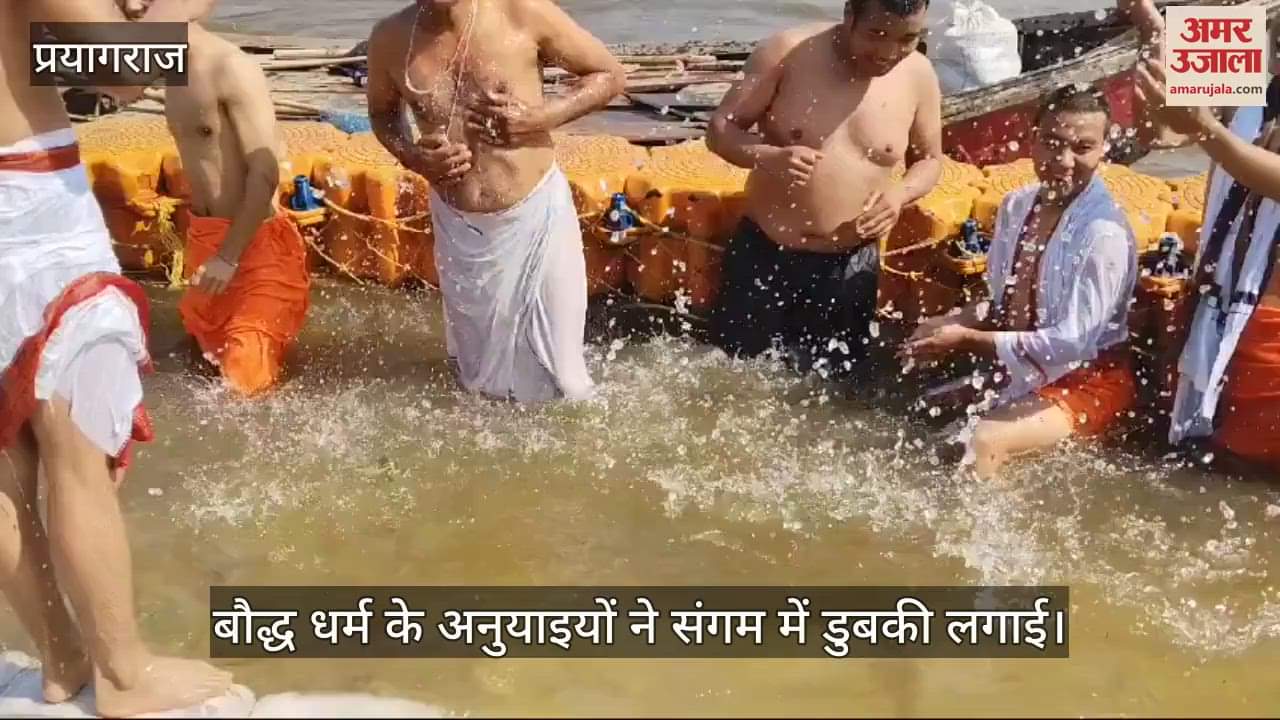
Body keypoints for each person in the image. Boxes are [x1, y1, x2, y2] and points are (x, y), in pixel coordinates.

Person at [0, 0, 233, 715]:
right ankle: (125, 676)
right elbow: (131, 69)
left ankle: (62, 656)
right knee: (76, 454)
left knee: (5, 466)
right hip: (29, 208)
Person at [364, 0, 625, 402]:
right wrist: (414, 156)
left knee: (567, 384)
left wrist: (542, 117)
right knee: (477, 385)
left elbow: (609, 75)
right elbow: (383, 115)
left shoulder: (521, 12)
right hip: (458, 226)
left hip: (537, 217)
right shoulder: (390, 37)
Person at [902, 84, 1139, 479]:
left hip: (1091, 380)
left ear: (1104, 149)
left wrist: (964, 339)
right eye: (1052, 143)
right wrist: (951, 321)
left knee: (984, 440)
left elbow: (1071, 342)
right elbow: (1003, 303)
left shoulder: (1104, 233)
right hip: (1024, 366)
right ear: (1032, 141)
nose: (1063, 160)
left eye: (1083, 147)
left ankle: (981, 537)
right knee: (924, 407)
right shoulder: (1017, 205)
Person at [704, 0, 943, 377]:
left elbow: (930, 160)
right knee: (732, 381)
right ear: (849, 14)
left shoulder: (918, 74)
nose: (887, 52)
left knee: (835, 395)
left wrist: (900, 195)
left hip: (850, 264)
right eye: (876, 34)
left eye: (906, 38)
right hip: (765, 253)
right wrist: (768, 156)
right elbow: (720, 131)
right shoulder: (786, 53)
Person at [120, 0, 311, 398]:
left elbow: (265, 171)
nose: (134, 7)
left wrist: (229, 256)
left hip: (252, 247)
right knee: (202, 366)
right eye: (122, 1)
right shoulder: (168, 67)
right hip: (204, 244)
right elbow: (47, 60)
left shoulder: (232, 67)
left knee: (246, 389)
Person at [1123, 0, 1280, 473]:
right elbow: (1160, 134)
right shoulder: (1246, 38)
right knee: (1206, 471)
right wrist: (1150, 29)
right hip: (1216, 306)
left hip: (1268, 330)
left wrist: (1207, 127)